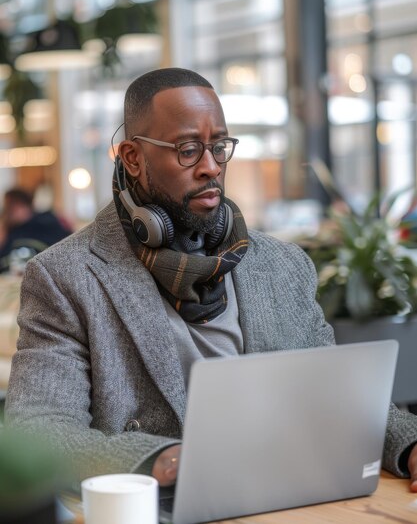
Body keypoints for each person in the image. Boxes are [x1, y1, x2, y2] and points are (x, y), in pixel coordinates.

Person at [5, 68, 417, 491]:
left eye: (219, 147)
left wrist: (409, 444)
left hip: (288, 494)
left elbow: (336, 396)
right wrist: (160, 460)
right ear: (132, 157)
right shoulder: (66, 276)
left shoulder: (282, 264)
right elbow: (40, 431)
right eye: (187, 149)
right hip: (164, 504)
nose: (210, 167)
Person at [0, 187, 72, 274]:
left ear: (24, 204)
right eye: (7, 208)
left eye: (12, 206)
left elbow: (68, 245)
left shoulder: (46, 221)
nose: (9, 212)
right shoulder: (10, 230)